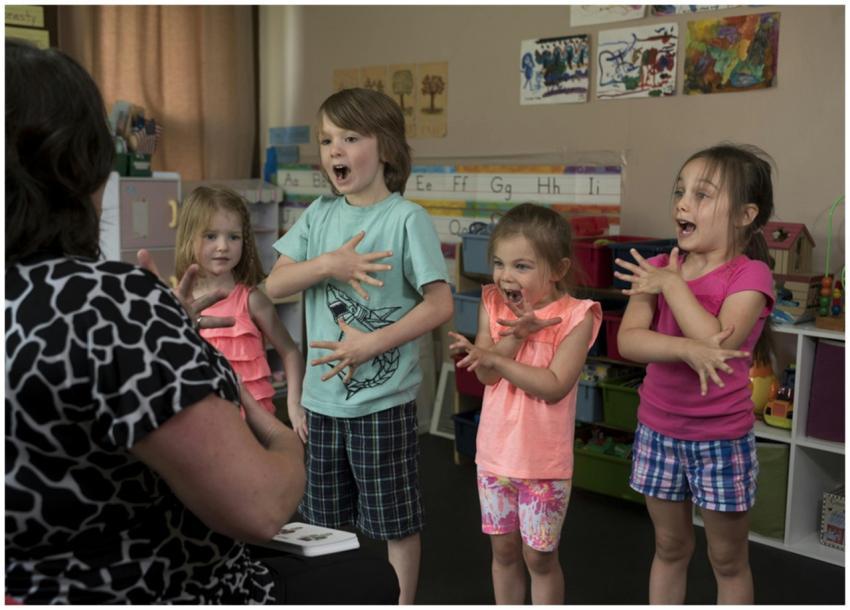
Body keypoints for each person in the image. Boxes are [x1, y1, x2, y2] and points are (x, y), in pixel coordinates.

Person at [5, 39, 397, 604]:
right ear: (86, 166)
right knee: (367, 574)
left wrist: (169, 337)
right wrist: (283, 438)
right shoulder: (112, 305)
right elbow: (260, 506)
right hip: (147, 585)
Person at [265, 87, 453, 603]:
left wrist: (372, 344)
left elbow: (439, 304)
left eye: (350, 137)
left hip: (381, 403)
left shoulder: (404, 218)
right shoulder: (319, 215)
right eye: (327, 140)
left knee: (394, 520)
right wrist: (329, 265)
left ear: (385, 148)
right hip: (322, 405)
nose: (335, 151)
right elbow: (273, 286)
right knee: (323, 522)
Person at [614, 144, 776, 604]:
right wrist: (683, 345)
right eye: (680, 192)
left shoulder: (752, 275)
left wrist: (671, 285)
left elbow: (717, 344)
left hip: (720, 440)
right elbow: (629, 340)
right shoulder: (661, 268)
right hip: (658, 431)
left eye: (702, 195)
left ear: (745, 215)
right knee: (669, 546)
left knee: (727, 559)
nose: (683, 204)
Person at [448, 203, 602, 605]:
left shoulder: (576, 316)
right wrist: (515, 337)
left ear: (557, 269)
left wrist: (497, 356)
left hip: (544, 465)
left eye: (521, 266)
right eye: (499, 263)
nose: (505, 275)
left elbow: (552, 386)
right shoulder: (493, 304)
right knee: (503, 553)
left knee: (540, 557)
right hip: (495, 458)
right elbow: (485, 375)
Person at [174, 185, 307, 439]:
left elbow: (290, 352)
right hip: (202, 430)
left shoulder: (253, 301)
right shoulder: (180, 303)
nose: (223, 246)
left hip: (256, 430)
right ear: (189, 237)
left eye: (233, 237)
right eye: (211, 236)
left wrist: (294, 405)